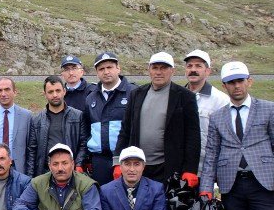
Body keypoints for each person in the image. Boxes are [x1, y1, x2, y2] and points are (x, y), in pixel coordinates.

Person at [199, 61, 274, 210]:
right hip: (231, 184)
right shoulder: (218, 116)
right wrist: (206, 187)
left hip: (262, 182)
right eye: (231, 83)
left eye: (240, 81)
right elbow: (211, 154)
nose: (237, 86)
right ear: (224, 86)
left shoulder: (268, 109)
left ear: (249, 81)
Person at [116, 52, 200, 184]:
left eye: (163, 68)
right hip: (138, 166)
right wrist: (117, 160)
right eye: (155, 68)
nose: (159, 72)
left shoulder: (185, 96)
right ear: (149, 70)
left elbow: (193, 135)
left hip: (169, 167)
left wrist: (190, 169)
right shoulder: (136, 94)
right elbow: (125, 130)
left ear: (172, 71)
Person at [83, 52, 134, 184]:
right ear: (97, 72)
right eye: (101, 69)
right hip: (99, 160)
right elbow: (87, 129)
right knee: (103, 198)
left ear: (118, 68)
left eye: (109, 67)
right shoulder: (90, 98)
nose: (106, 72)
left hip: (126, 158)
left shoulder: (133, 93)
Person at [25, 75, 89, 176]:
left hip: (70, 172)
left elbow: (83, 144)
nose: (55, 95)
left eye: (58, 90)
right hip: (45, 173)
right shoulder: (37, 120)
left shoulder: (78, 116)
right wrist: (30, 177)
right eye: (50, 92)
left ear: (64, 91)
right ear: (45, 94)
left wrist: (78, 164)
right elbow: (32, 150)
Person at [183, 50, 230, 173]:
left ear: (208, 71)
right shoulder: (177, 97)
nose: (193, 69)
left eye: (198, 66)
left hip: (207, 168)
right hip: (181, 167)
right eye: (189, 66)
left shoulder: (221, 100)